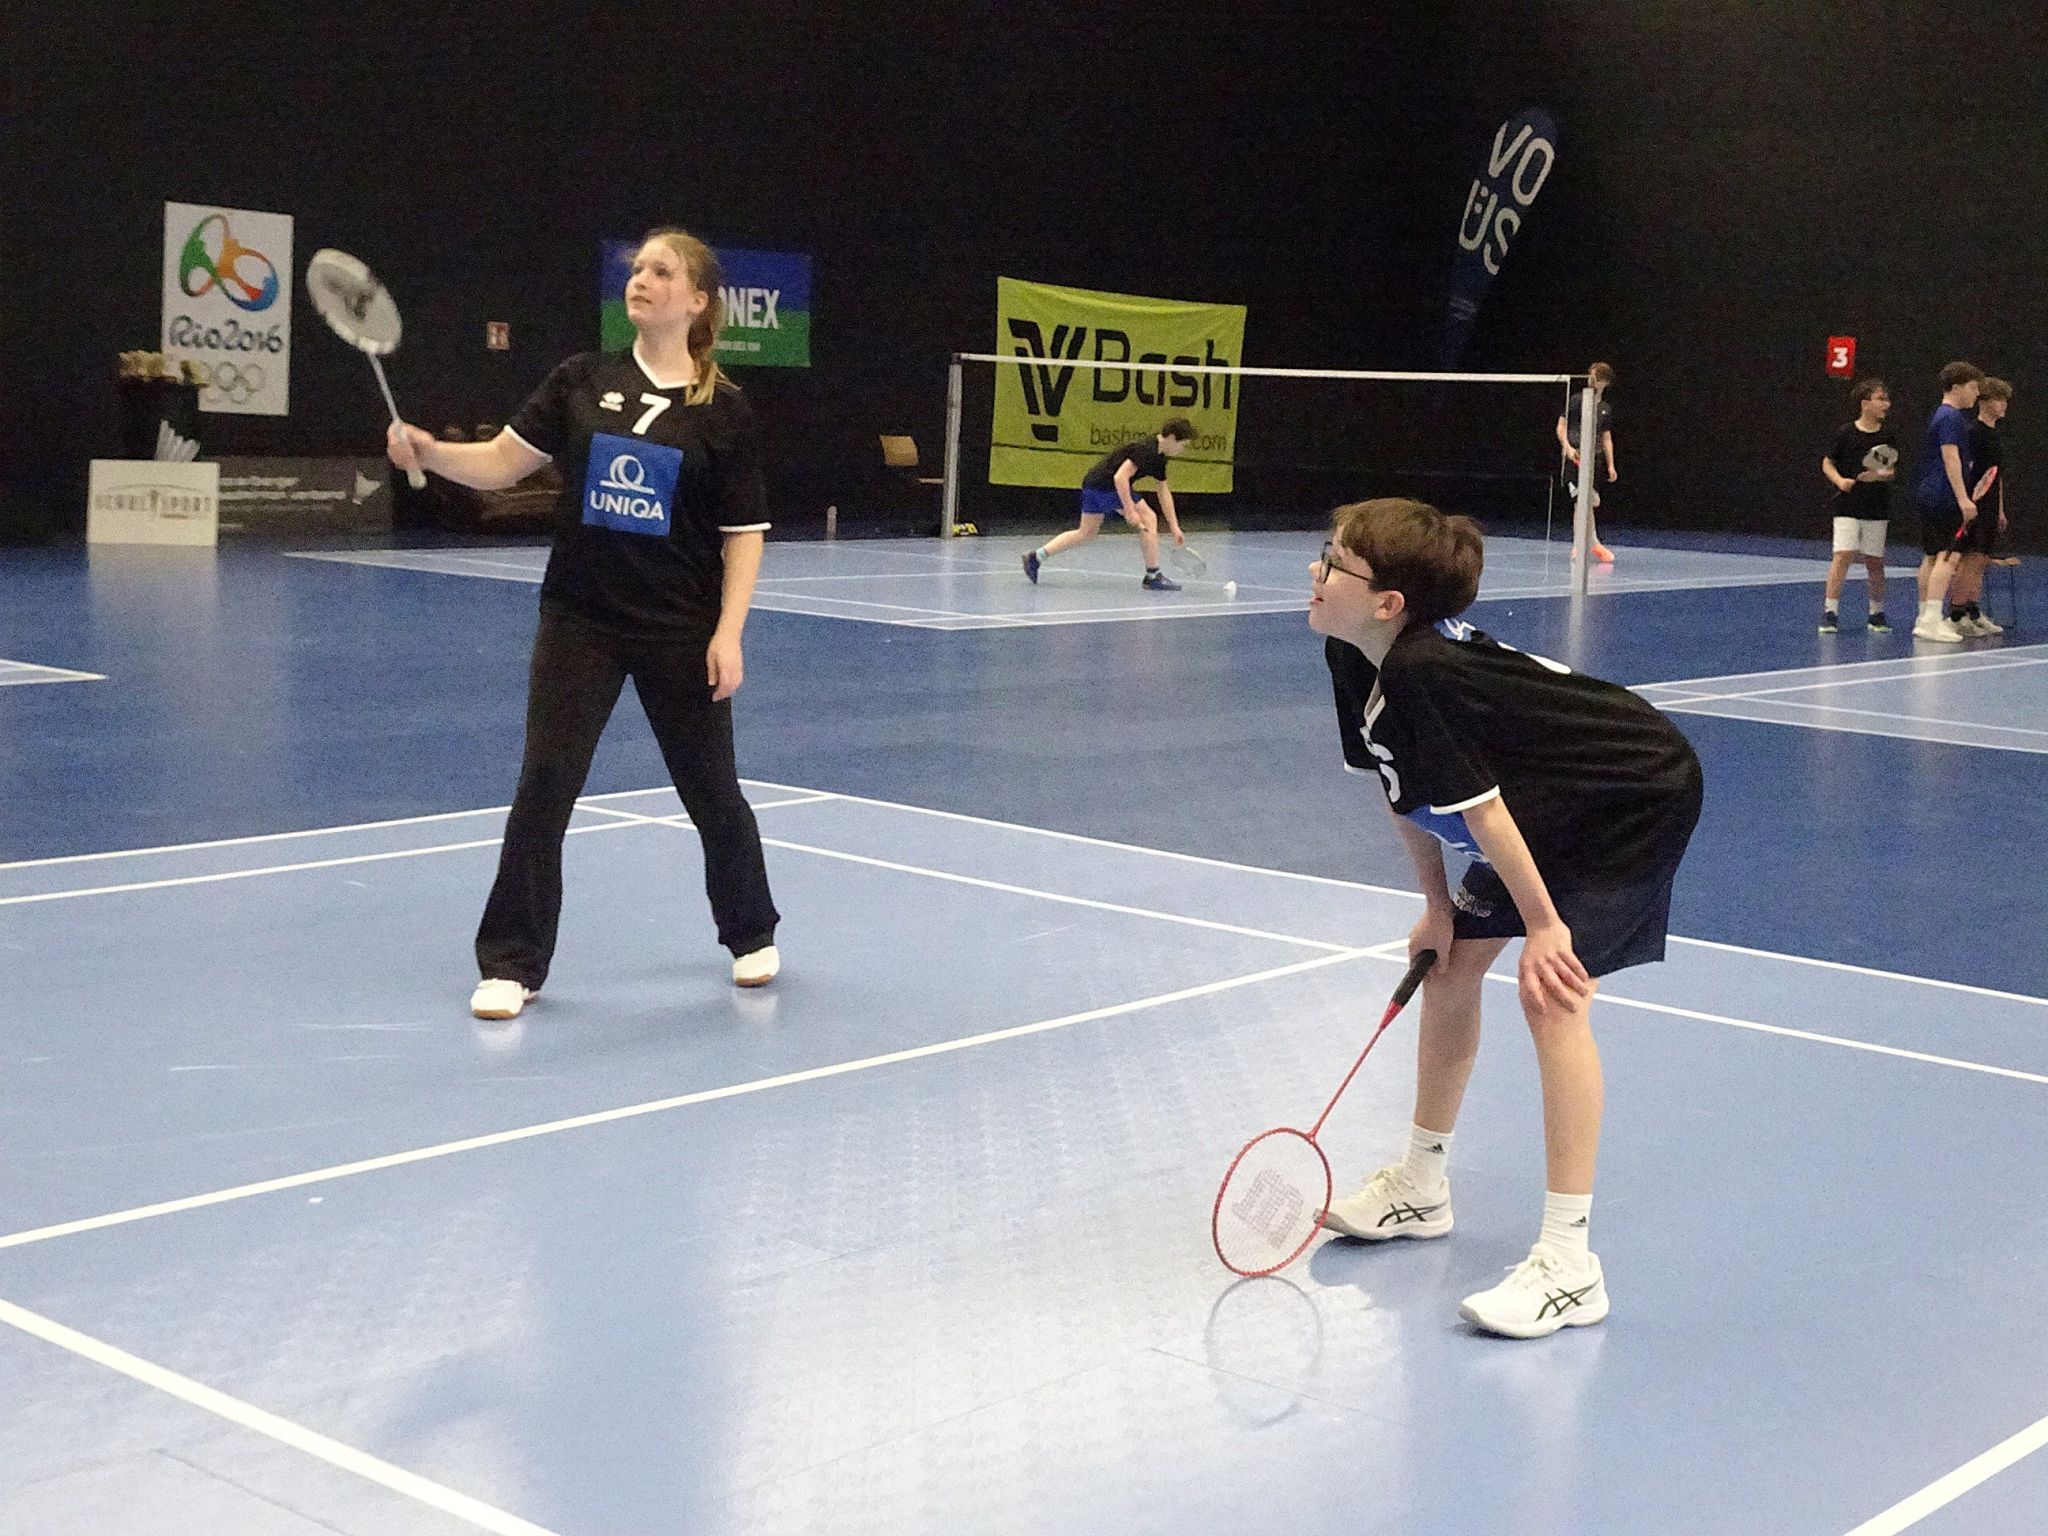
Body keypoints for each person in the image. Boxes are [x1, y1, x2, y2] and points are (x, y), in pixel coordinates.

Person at [1309, 497, 1703, 1338]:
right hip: (1545, 802)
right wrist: (1433, 907)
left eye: (1335, 563)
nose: (1316, 572)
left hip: (1629, 795)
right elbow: (1398, 784)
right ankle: (1421, 1187)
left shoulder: (1422, 669)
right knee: (1448, 963)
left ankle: (1570, 1264)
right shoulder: (1355, 654)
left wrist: (1548, 926)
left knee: (1551, 991)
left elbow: (1482, 809)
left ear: (1389, 604)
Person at [386, 227, 782, 1020]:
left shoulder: (723, 410)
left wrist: (728, 632)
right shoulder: (580, 379)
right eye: (637, 269)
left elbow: (744, 537)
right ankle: (511, 962)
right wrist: (432, 452)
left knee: (712, 791)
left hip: (679, 626)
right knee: (544, 788)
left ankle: (750, 930)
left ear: (697, 300)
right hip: (581, 620)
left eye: (660, 272)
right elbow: (503, 461)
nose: (641, 279)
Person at [1022, 418, 1192, 590]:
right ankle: (1153, 576)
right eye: (1183, 445)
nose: (1182, 450)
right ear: (1171, 437)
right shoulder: (1147, 449)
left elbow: (1163, 492)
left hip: (1092, 483)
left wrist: (1175, 527)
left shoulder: (1160, 458)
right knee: (1149, 517)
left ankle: (1036, 557)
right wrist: (1130, 510)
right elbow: (1120, 477)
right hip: (1107, 486)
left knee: (1086, 532)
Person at [1911, 361, 1985, 642]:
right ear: (1956, 387)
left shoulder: (1941, 415)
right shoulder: (1951, 418)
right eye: (1973, 387)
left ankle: (1924, 616)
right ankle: (1931, 619)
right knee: (1948, 556)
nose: (1976, 394)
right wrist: (1963, 498)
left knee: (1931, 557)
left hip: (1930, 494)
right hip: (1944, 497)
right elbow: (1950, 457)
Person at [1819, 378, 1899, 633]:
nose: (1886, 404)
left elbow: (1889, 470)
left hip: (1876, 507)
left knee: (1874, 561)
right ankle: (1830, 612)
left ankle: (1876, 613)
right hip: (1847, 506)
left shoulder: (1888, 436)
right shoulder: (1845, 433)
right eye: (1880, 399)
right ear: (1865, 403)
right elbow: (1827, 462)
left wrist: (1880, 475)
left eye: (1886, 399)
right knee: (1842, 555)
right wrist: (1840, 481)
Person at [1948, 376, 2012, 635]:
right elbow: (1967, 472)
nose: (2004, 405)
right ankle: (1956, 613)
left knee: (1982, 559)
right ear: (1984, 402)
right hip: (1972, 506)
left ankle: (1973, 610)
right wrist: (1965, 503)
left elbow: (1995, 476)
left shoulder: (1996, 434)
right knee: (1970, 560)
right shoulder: (1973, 433)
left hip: (1988, 508)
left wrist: (2000, 509)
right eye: (1999, 399)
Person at [1555, 362, 1617, 564]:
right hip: (1575, 459)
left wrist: (1611, 465)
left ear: (1604, 382)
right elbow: (1561, 426)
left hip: (1595, 461)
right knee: (1581, 504)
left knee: (1592, 502)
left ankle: (1592, 542)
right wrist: (1568, 448)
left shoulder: (1605, 409)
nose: (1591, 379)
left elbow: (1606, 438)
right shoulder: (1576, 400)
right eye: (1590, 375)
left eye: (1595, 376)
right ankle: (1582, 544)